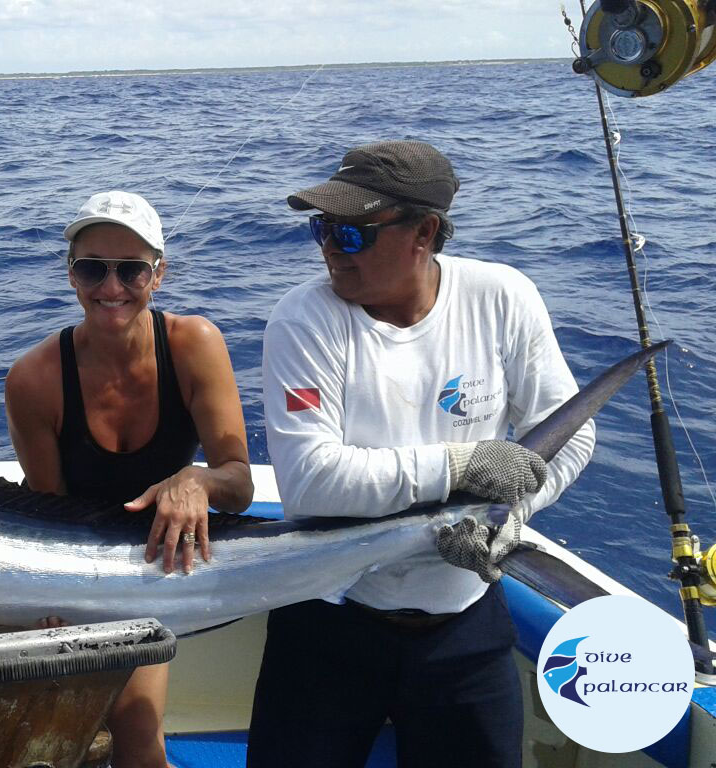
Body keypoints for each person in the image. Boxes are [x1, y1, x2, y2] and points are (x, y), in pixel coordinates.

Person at [248, 140, 595, 767]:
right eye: (322, 229)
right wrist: (459, 467)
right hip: (328, 618)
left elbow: (572, 435)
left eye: (352, 233)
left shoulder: (502, 297)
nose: (330, 249)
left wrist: (506, 519)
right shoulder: (303, 319)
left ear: (424, 233)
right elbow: (310, 481)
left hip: (464, 625)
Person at [5, 191, 254, 768]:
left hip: (152, 571)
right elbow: (47, 512)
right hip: (62, 569)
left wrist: (196, 480)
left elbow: (240, 485)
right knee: (34, 734)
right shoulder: (33, 378)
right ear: (71, 274)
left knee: (137, 734)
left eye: (131, 270)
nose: (111, 287)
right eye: (93, 268)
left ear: (158, 275)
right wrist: (51, 601)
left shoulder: (194, 344)